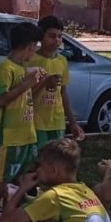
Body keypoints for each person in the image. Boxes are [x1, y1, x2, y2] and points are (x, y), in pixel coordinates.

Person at [0, 20, 44, 198]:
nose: (36, 50)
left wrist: (37, 83)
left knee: (19, 181)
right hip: (9, 138)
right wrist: (26, 84)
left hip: (26, 135)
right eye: (36, 46)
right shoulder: (5, 69)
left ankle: (8, 218)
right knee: (1, 182)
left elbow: (23, 96)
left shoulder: (23, 67)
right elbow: (0, 100)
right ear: (29, 46)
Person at [30, 15, 85, 145]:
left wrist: (72, 122)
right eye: (51, 36)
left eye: (60, 36)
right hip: (36, 123)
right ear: (41, 36)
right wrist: (44, 83)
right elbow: (25, 94)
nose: (56, 40)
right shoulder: (30, 59)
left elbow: (63, 92)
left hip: (57, 122)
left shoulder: (62, 61)